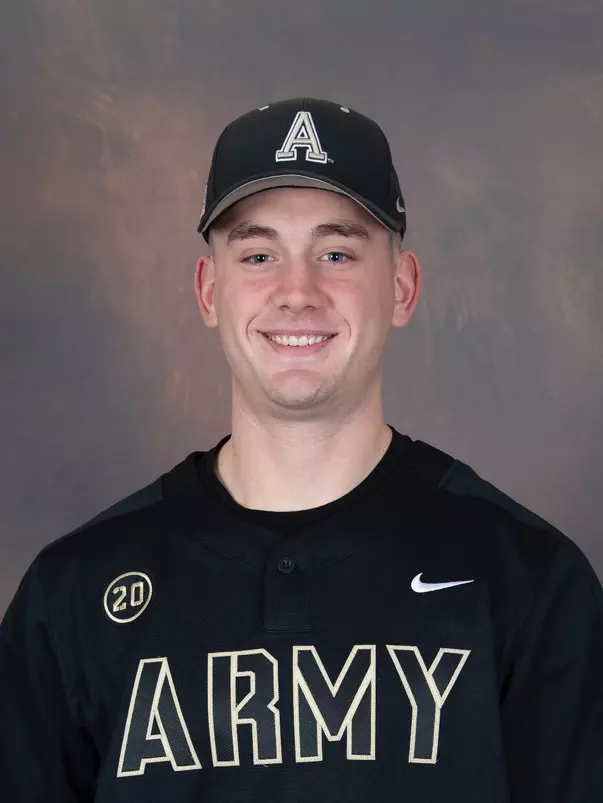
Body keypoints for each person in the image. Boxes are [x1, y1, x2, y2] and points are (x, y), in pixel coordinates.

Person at [0, 97, 601, 803]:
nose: (296, 292)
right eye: (258, 254)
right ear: (209, 289)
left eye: (336, 252)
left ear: (402, 286)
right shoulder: (71, 593)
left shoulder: (528, 583)